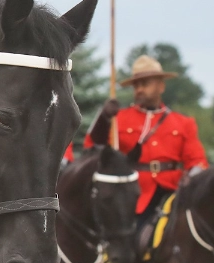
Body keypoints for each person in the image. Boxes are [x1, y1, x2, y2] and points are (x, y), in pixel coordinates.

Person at [86, 55, 207, 228]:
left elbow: (197, 161)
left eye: (145, 83)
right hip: (134, 192)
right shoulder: (119, 119)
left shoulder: (183, 123)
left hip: (173, 191)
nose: (139, 89)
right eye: (136, 85)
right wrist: (104, 118)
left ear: (161, 86)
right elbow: (93, 146)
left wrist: (192, 178)